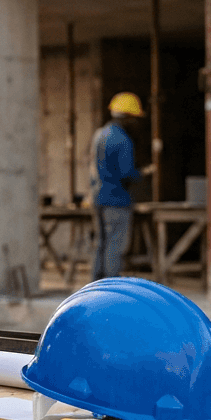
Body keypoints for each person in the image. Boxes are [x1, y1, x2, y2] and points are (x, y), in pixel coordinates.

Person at [88, 92, 148, 281]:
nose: (136, 123)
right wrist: (142, 173)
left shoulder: (99, 135)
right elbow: (125, 174)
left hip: (98, 197)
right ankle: (110, 283)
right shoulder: (123, 140)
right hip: (116, 199)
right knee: (115, 244)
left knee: (100, 242)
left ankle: (95, 284)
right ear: (128, 117)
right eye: (134, 118)